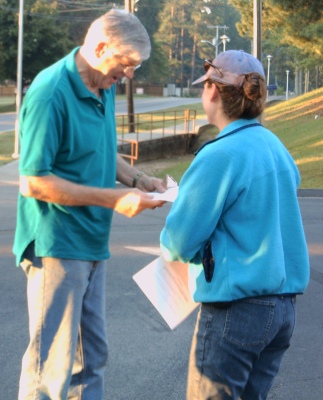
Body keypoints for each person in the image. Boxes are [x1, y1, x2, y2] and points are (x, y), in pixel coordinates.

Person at [13, 8, 166, 400]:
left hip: (93, 243)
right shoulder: (50, 92)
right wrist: (114, 198)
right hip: (57, 246)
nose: (128, 75)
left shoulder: (104, 84)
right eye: (125, 64)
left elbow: (101, 150)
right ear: (100, 47)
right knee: (49, 369)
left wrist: (137, 180)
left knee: (91, 361)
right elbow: (33, 181)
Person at [160, 50, 310, 400]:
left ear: (212, 90)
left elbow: (177, 243)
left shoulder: (219, 154)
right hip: (283, 308)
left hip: (238, 311)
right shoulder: (275, 147)